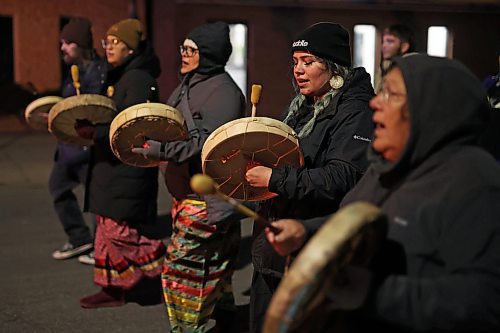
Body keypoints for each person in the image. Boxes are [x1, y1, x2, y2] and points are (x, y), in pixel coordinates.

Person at [265, 54, 500, 332]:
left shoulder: (474, 183)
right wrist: (306, 232)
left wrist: (369, 291)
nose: (375, 102)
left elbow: (485, 301)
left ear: (432, 108)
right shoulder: (388, 165)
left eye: (392, 94)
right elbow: (358, 221)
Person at [243, 22, 375, 332]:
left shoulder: (356, 111)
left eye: (309, 62)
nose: (298, 71)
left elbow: (342, 177)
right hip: (277, 241)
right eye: (295, 62)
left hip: (313, 245)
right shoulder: (304, 104)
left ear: (333, 67)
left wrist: (274, 179)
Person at [131, 21, 246, 333]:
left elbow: (206, 145)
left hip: (207, 201)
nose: (183, 54)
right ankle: (229, 320)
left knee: (180, 272)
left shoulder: (224, 92)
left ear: (207, 54)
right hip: (186, 196)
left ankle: (185, 329)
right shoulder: (189, 82)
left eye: (191, 50)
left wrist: (160, 150)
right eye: (183, 48)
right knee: (215, 266)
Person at [75, 18, 166, 309]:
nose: (109, 47)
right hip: (109, 167)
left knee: (117, 231)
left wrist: (96, 132)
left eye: (115, 42)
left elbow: (133, 126)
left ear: (130, 48)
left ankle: (164, 268)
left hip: (125, 169)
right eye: (107, 42)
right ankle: (112, 290)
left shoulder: (138, 78)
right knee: (104, 231)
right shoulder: (119, 74)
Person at [50, 17, 107, 263]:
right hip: (67, 149)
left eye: (68, 43)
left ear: (81, 45)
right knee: (58, 189)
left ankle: (100, 245)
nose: (62, 48)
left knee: (96, 201)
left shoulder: (98, 72)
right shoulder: (71, 72)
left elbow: (96, 109)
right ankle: (79, 237)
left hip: (87, 148)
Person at [375, 24, 415, 91]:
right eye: (383, 42)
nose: (384, 46)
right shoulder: (384, 67)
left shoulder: (411, 69)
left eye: (390, 41)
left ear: (404, 47)